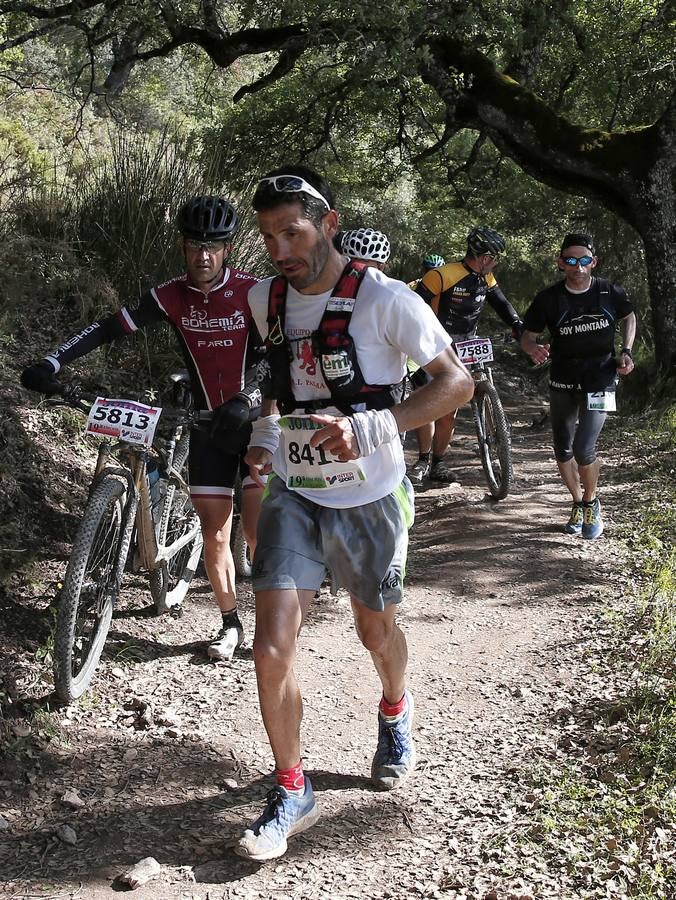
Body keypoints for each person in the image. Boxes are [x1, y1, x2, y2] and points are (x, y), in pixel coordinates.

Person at [235, 166, 474, 861]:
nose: (281, 249)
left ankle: (394, 709)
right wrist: (261, 436)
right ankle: (291, 788)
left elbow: (456, 383)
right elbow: (279, 385)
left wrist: (375, 425)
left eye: (294, 232)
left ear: (329, 223)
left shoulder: (387, 300)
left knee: (376, 632)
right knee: (270, 643)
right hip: (296, 492)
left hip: (371, 497)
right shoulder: (263, 299)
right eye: (270, 236)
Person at [20, 196, 264, 660]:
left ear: (228, 248)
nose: (203, 256)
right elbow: (107, 329)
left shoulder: (254, 293)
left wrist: (249, 399)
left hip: (254, 426)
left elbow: (279, 356)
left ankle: (271, 626)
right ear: (183, 246)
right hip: (206, 424)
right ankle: (230, 622)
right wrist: (52, 361)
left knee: (258, 534)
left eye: (213, 246)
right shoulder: (171, 295)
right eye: (195, 245)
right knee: (215, 530)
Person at [520, 233, 636, 539]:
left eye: (584, 260)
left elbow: (629, 316)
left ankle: (591, 502)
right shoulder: (548, 298)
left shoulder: (608, 290)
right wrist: (532, 348)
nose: (578, 266)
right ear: (561, 263)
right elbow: (527, 336)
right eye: (570, 260)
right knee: (563, 447)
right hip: (562, 379)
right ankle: (576, 501)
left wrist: (626, 350)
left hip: (601, 378)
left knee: (585, 448)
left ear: (593, 261)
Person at [410, 226, 522, 485]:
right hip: (438, 346)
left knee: (450, 411)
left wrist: (518, 325)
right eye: (495, 258)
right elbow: (413, 310)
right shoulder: (442, 275)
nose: (496, 263)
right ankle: (423, 459)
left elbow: (501, 303)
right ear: (484, 257)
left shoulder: (486, 277)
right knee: (427, 405)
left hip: (469, 344)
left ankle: (438, 461)